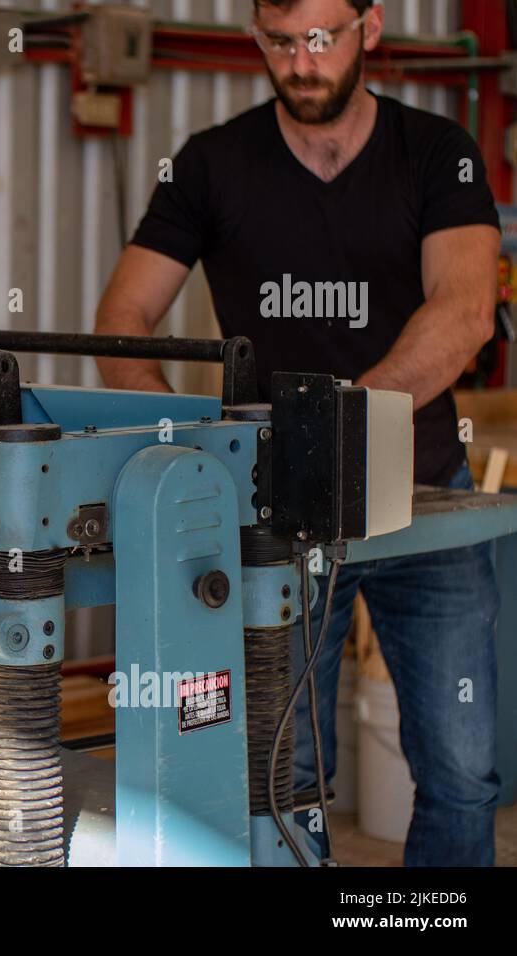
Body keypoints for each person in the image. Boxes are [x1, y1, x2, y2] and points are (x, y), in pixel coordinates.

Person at [93, 0, 502, 865]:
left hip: (420, 494)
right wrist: (182, 446)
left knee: (462, 769)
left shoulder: (439, 155)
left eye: (322, 37)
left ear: (371, 28)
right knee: (287, 773)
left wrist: (337, 428)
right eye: (281, 41)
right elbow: (123, 320)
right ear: (257, 37)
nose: (302, 61)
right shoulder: (210, 166)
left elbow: (465, 313)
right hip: (276, 516)